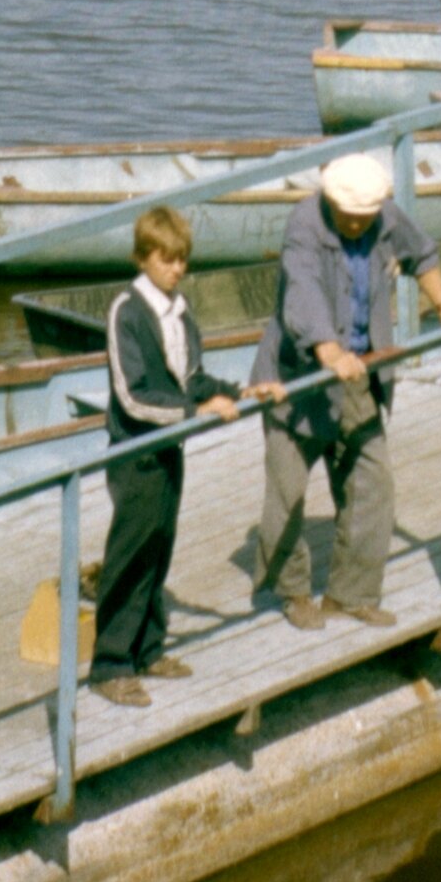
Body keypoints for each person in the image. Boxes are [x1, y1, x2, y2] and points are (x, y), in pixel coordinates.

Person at [245, 149, 441, 631]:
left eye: (365, 219)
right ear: (331, 202)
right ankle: (291, 591)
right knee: (287, 490)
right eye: (349, 218)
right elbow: (302, 291)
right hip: (298, 378)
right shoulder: (304, 225)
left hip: (357, 373)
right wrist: (328, 350)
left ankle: (351, 592)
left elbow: (425, 254)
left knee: (372, 481)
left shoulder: (386, 218)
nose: (357, 226)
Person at [87, 205, 271, 708]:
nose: (177, 270)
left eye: (182, 260)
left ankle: (148, 649)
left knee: (160, 545)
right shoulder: (126, 310)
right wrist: (195, 410)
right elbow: (133, 396)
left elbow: (192, 377)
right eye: (167, 260)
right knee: (129, 553)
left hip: (169, 449)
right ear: (143, 257)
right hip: (137, 454)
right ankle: (109, 664)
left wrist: (241, 390)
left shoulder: (179, 311)